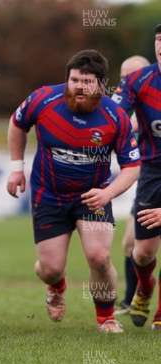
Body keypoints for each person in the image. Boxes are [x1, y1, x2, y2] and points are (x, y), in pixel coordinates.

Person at [7, 49, 141, 333]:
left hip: (93, 197)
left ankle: (106, 317)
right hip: (49, 195)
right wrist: (16, 167)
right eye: (75, 80)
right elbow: (17, 123)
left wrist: (107, 194)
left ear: (101, 85)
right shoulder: (44, 99)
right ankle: (57, 285)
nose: (79, 86)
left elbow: (132, 167)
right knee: (50, 269)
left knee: (99, 258)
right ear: (67, 79)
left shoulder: (115, 116)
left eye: (87, 81)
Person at [112, 23, 161, 330]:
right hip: (152, 171)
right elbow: (113, 117)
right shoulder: (138, 80)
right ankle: (143, 288)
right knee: (141, 252)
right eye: (159, 41)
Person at [113, 55, 150, 316]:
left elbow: (129, 125)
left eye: (132, 74)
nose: (126, 80)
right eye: (123, 76)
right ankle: (132, 299)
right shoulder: (125, 101)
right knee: (131, 244)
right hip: (148, 181)